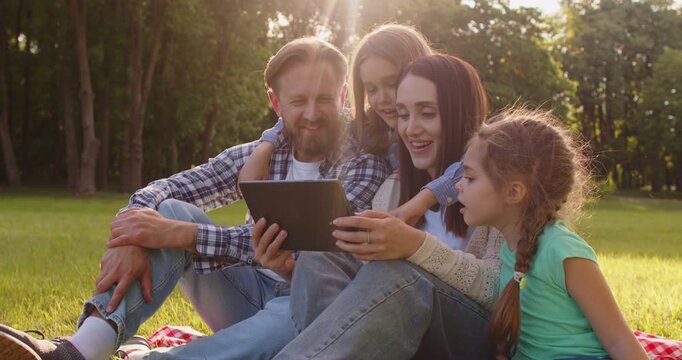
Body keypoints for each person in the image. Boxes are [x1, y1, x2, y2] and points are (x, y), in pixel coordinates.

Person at [0, 37, 390, 360]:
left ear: (343, 95)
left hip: (313, 306)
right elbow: (164, 189)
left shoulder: (365, 163)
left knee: (286, 311)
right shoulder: (263, 152)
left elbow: (318, 248)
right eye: (298, 100)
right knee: (167, 209)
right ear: (275, 103)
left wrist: (178, 234)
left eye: (324, 99)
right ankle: (77, 351)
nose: (311, 113)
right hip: (246, 292)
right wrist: (135, 232)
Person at [274, 54, 502, 360]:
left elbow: (498, 288)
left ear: (460, 114)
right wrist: (290, 272)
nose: (411, 129)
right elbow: (367, 298)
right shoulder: (393, 189)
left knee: (400, 275)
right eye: (404, 115)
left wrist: (415, 246)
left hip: (475, 338)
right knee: (321, 254)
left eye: (428, 114)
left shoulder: (499, 189)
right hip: (403, 338)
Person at [456, 108, 647, 359]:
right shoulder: (508, 250)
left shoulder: (562, 250)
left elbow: (620, 340)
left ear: (513, 192)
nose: (458, 185)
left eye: (470, 177)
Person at [239, 24, 463, 227]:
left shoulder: (456, 132)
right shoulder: (372, 129)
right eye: (372, 89)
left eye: (392, 84)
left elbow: (469, 165)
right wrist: (265, 146)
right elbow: (311, 118)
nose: (382, 99)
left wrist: (422, 200)